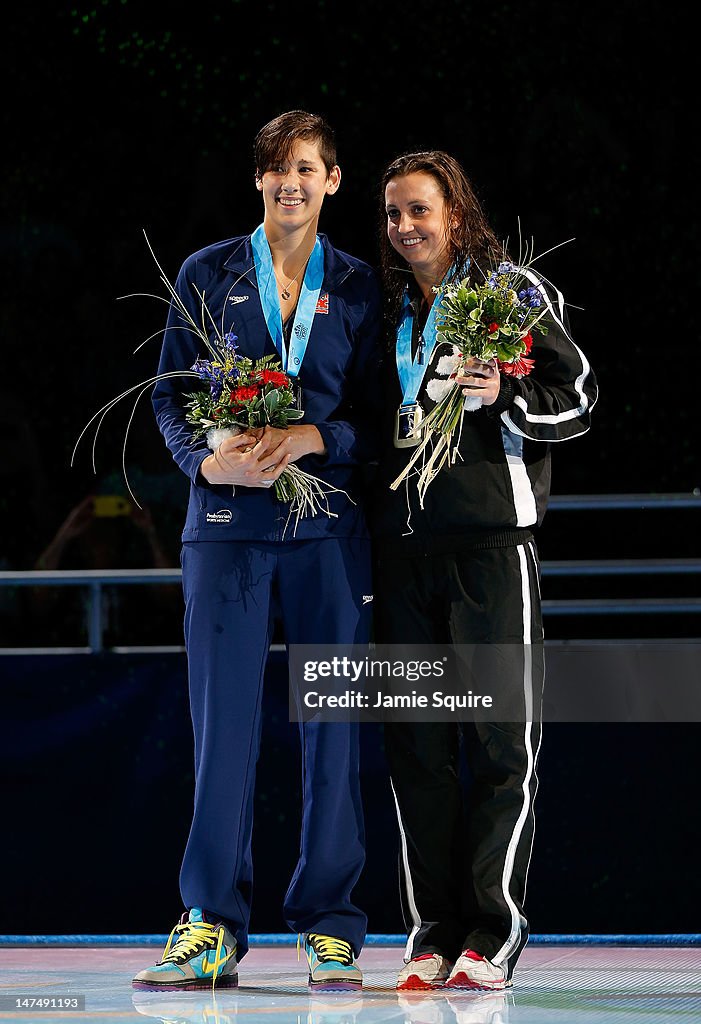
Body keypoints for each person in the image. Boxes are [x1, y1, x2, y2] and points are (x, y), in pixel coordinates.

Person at [132, 111, 382, 994]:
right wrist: (202, 457)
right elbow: (168, 394)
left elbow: (377, 419)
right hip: (227, 531)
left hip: (326, 537)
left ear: (334, 181)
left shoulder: (356, 284)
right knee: (222, 731)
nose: (291, 184)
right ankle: (209, 925)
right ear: (258, 181)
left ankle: (331, 922)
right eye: (277, 170)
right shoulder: (208, 273)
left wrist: (317, 437)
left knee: (334, 730)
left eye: (307, 169)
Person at [369, 151, 597, 991]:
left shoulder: (511, 293)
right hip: (399, 555)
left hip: (492, 546)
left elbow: (577, 401)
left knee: (502, 744)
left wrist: (503, 392)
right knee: (416, 751)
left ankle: (492, 934)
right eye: (392, 214)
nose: (404, 228)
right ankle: (430, 930)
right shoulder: (384, 306)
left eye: (418, 211)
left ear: (456, 214)